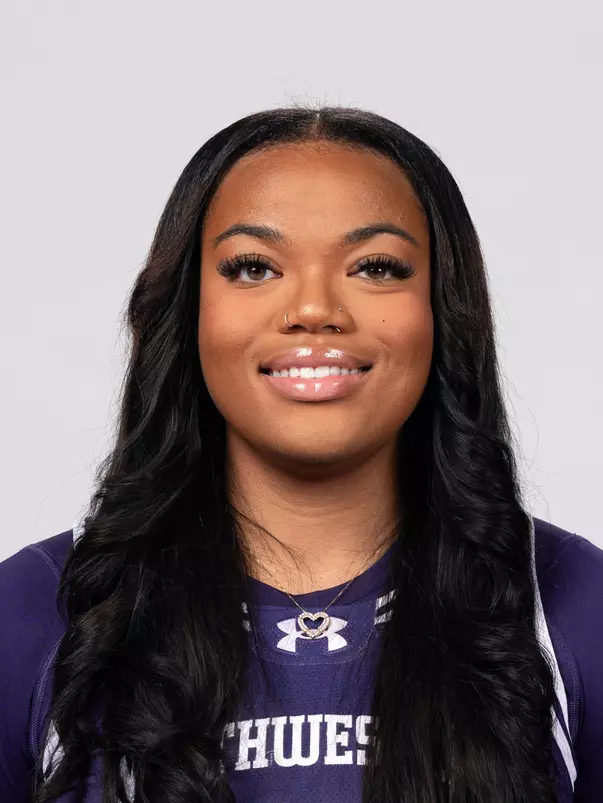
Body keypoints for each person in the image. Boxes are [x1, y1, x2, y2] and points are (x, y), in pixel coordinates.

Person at [0, 106, 601, 803]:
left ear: (442, 311)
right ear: (188, 311)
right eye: (253, 267)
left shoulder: (573, 610)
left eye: (375, 266)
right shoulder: (34, 615)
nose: (313, 308)